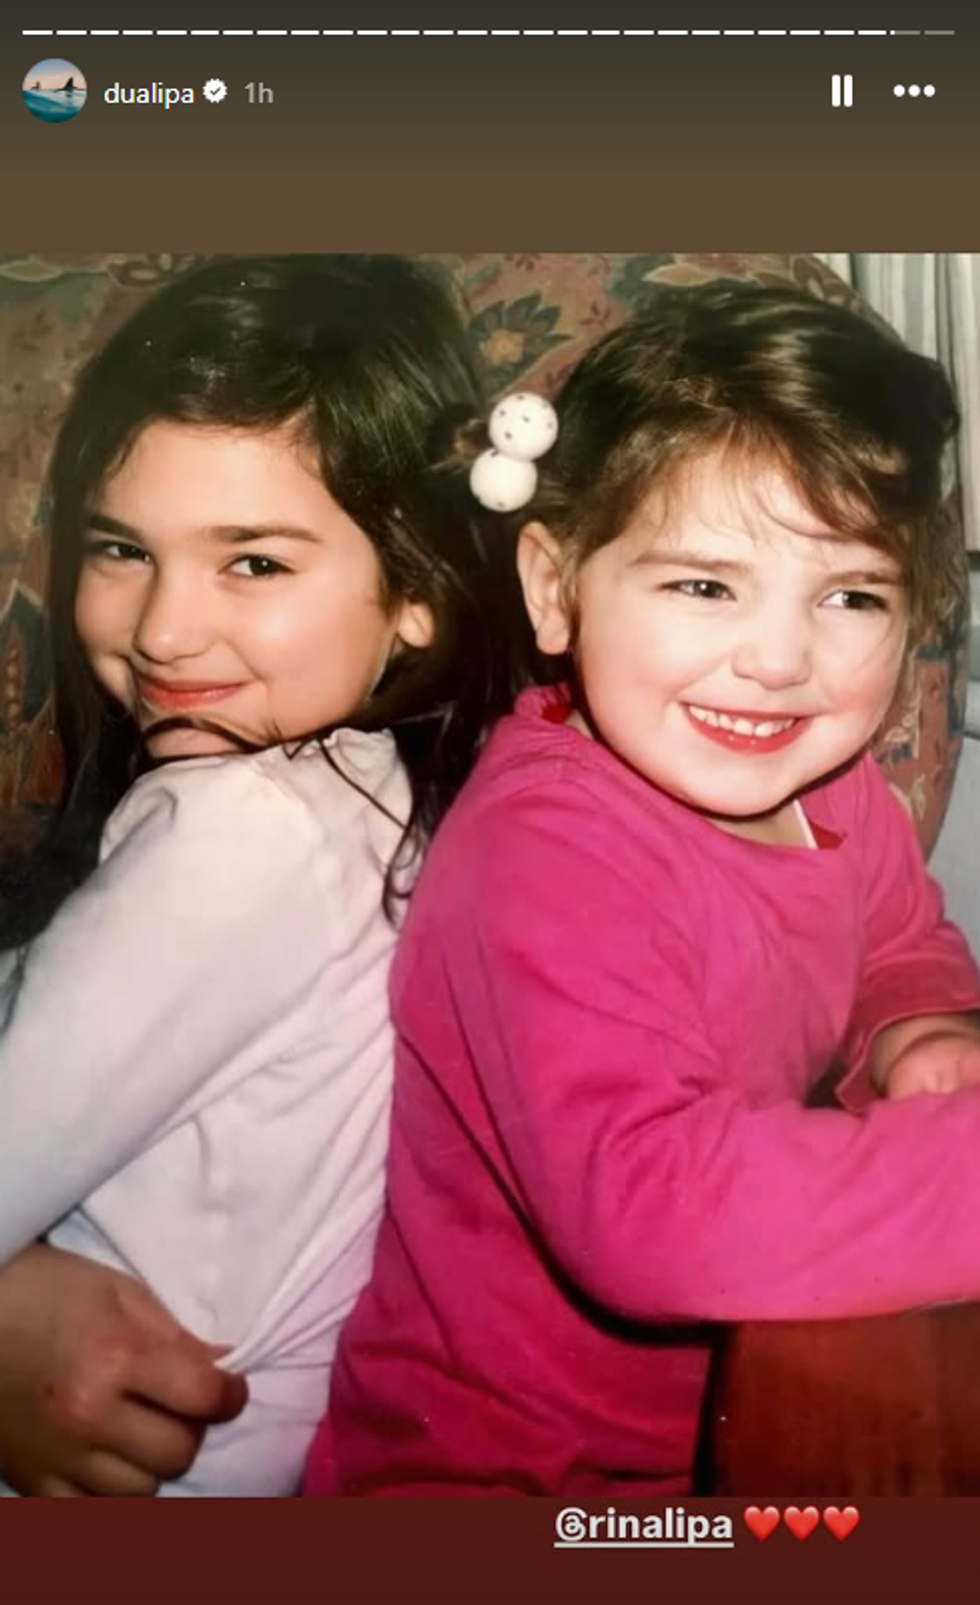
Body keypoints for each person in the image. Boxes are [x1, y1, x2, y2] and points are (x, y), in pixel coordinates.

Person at [311, 282, 980, 1497]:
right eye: (703, 586)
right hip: (506, 1485)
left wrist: (915, 1026)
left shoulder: (833, 791)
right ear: (554, 587)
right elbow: (651, 1209)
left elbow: (895, 943)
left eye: (849, 596)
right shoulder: (544, 860)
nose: (776, 661)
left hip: (752, 1400)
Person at [0, 253, 522, 1496]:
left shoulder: (239, 833)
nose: (163, 630)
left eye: (254, 562)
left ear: (417, 592)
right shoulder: (372, 799)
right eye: (121, 549)